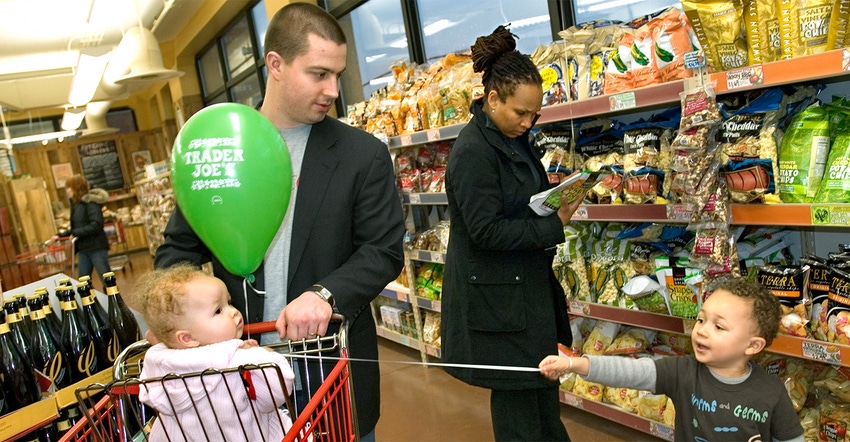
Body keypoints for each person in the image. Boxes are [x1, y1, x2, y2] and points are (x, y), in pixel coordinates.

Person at [154, 3, 405, 439]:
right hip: (233, 386)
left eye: (337, 75)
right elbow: (176, 253)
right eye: (318, 73)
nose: (332, 89)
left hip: (331, 375)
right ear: (276, 64)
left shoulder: (362, 155)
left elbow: (382, 251)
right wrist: (194, 315)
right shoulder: (221, 148)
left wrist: (325, 294)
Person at [440, 25, 584, 441]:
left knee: (542, 402)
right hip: (501, 305)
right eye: (520, 112)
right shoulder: (472, 153)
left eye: (534, 114)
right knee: (520, 416)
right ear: (492, 99)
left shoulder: (513, 138)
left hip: (523, 292)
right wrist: (551, 225)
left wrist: (552, 195)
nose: (528, 121)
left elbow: (513, 199)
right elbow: (485, 231)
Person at [539, 278, 806, 442]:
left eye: (719, 327)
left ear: (753, 346)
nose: (701, 330)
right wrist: (575, 364)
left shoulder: (771, 391)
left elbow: (792, 439)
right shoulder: (684, 372)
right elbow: (630, 371)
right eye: (701, 319)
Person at [130, 264, 295, 442]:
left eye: (229, 303)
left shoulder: (157, 365)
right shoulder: (240, 360)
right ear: (187, 338)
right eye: (218, 310)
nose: (233, 312)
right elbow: (279, 390)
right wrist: (263, 356)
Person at [56, 174, 111, 286]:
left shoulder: (90, 203)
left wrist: (76, 233)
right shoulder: (77, 205)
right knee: (83, 281)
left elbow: (96, 225)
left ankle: (114, 302)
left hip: (97, 248)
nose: (67, 191)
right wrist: (60, 235)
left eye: (69, 187)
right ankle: (91, 302)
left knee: (106, 279)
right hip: (84, 249)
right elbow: (77, 227)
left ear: (76, 188)